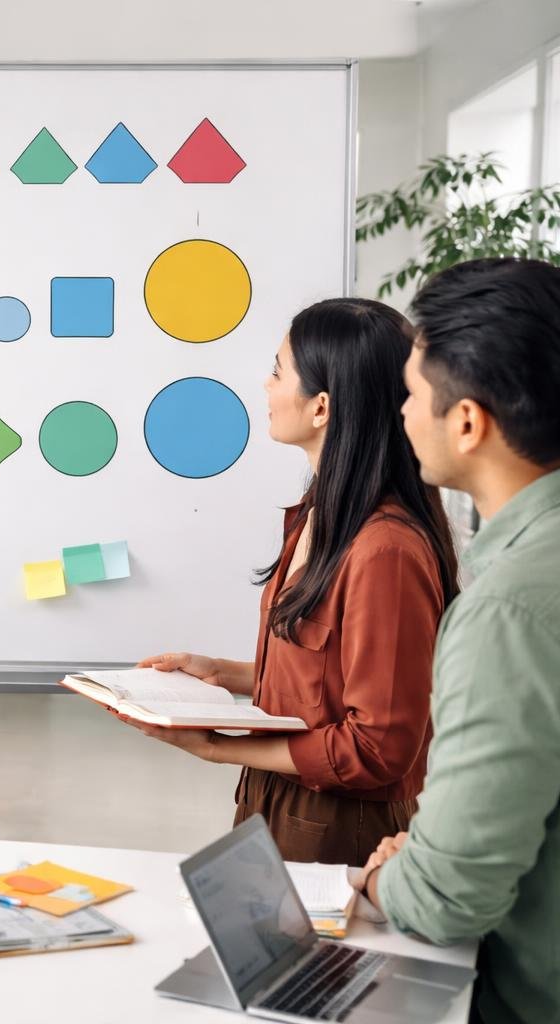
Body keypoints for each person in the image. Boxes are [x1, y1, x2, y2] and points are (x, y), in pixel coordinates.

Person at [119, 298, 459, 865]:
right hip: (274, 803)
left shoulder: (386, 552)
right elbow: (332, 681)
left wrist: (222, 748)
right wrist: (223, 675)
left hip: (340, 830)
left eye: (279, 370)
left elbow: (379, 748)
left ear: (322, 406)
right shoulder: (317, 513)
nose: (266, 384)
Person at [355, 258, 560, 1024]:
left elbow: (448, 900)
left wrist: (383, 879)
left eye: (411, 395)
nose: (403, 415)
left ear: (467, 422)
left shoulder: (511, 606)